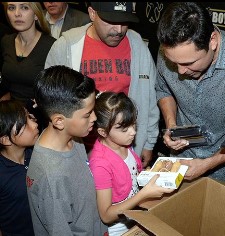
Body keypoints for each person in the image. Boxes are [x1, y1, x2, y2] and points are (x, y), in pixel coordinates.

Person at [45, 2, 160, 168]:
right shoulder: (66, 46)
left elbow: (149, 97)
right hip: (77, 150)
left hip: (124, 149)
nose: (119, 30)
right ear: (92, 13)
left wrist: (148, 143)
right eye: (111, 21)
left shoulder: (137, 45)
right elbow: (51, 101)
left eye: (124, 22)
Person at [26, 65, 108, 236]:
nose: (94, 118)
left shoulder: (73, 137)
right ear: (59, 121)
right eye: (87, 114)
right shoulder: (51, 177)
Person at [155, 2, 225, 181]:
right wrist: (171, 124)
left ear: (213, 41)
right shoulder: (168, 52)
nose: (180, 71)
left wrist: (208, 163)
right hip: (181, 163)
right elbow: (163, 89)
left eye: (189, 63)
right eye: (173, 62)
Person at [89, 91, 174, 236]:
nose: (133, 132)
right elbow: (106, 215)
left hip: (134, 218)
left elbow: (130, 175)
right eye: (124, 129)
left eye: (134, 124)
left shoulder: (124, 143)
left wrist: (145, 175)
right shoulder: (100, 164)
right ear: (103, 132)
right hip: (118, 230)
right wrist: (143, 194)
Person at [0, 2, 56, 131]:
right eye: (11, 8)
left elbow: (55, 93)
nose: (17, 13)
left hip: (39, 122)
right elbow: (7, 85)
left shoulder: (51, 46)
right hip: (11, 121)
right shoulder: (6, 41)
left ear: (36, 15)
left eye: (24, 7)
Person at [0, 100, 39, 236]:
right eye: (24, 125)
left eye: (30, 117)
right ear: (5, 139)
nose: (34, 124)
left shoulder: (37, 153)